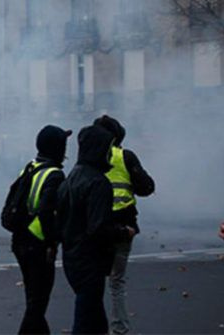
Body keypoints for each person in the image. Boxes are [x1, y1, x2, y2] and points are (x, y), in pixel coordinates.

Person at [56, 125, 135, 334]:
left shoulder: (71, 178)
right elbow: (98, 227)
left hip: (72, 257)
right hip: (90, 260)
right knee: (86, 320)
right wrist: (123, 232)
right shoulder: (97, 182)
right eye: (108, 149)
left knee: (94, 319)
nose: (110, 154)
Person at [92, 115, 155, 335]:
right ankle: (119, 329)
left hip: (96, 227)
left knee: (94, 282)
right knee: (117, 283)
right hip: (123, 227)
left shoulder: (89, 159)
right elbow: (147, 187)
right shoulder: (125, 157)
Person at [10, 125, 70, 334]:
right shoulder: (54, 175)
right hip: (38, 244)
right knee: (37, 305)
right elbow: (46, 212)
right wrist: (53, 242)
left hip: (20, 241)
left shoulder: (29, 168)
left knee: (33, 300)